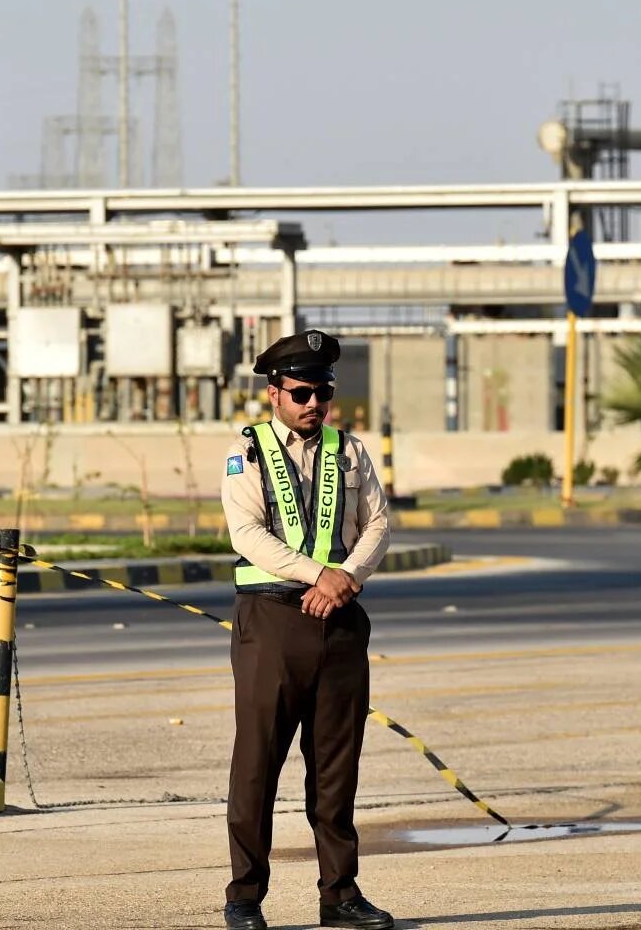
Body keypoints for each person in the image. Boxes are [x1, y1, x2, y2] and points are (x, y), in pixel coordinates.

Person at [219, 329, 395, 930]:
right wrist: (318, 574)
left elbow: (378, 524)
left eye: (321, 392)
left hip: (340, 623)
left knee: (336, 771)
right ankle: (244, 898)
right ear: (274, 393)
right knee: (256, 766)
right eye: (300, 393)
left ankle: (340, 897)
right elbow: (248, 535)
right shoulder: (247, 453)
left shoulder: (351, 452)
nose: (312, 403)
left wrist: (342, 578)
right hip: (272, 625)